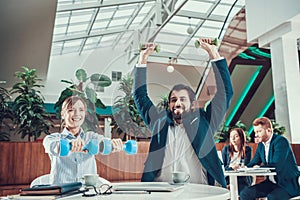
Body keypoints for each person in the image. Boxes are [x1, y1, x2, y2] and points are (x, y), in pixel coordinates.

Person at [133, 38, 234, 187]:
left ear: (192, 104)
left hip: (198, 191)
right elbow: (140, 96)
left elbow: (225, 92)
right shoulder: (158, 121)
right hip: (161, 191)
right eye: (173, 100)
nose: (177, 103)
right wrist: (143, 58)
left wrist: (213, 53)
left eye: (182, 99)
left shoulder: (205, 121)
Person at [43, 96, 123, 184]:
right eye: (71, 110)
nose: (77, 114)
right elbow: (54, 147)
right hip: (62, 193)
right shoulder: (52, 138)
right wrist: (70, 144)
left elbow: (104, 142)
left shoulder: (91, 137)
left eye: (81, 110)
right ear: (63, 114)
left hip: (88, 192)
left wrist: (114, 144)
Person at [240, 117, 300, 200]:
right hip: (271, 183)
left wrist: (258, 168)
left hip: (286, 185)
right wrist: (244, 167)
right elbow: (255, 161)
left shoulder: (281, 141)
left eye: (259, 131)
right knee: (245, 193)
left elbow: (276, 166)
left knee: (272, 197)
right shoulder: (261, 145)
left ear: (269, 130)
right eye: (255, 132)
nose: (256, 134)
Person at [222, 128, 252, 193]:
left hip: (242, 177)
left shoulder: (247, 149)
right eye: (231, 137)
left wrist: (238, 167)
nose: (233, 139)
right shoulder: (226, 149)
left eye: (236, 136)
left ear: (241, 138)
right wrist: (231, 167)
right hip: (228, 177)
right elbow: (223, 167)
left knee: (243, 187)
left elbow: (246, 166)